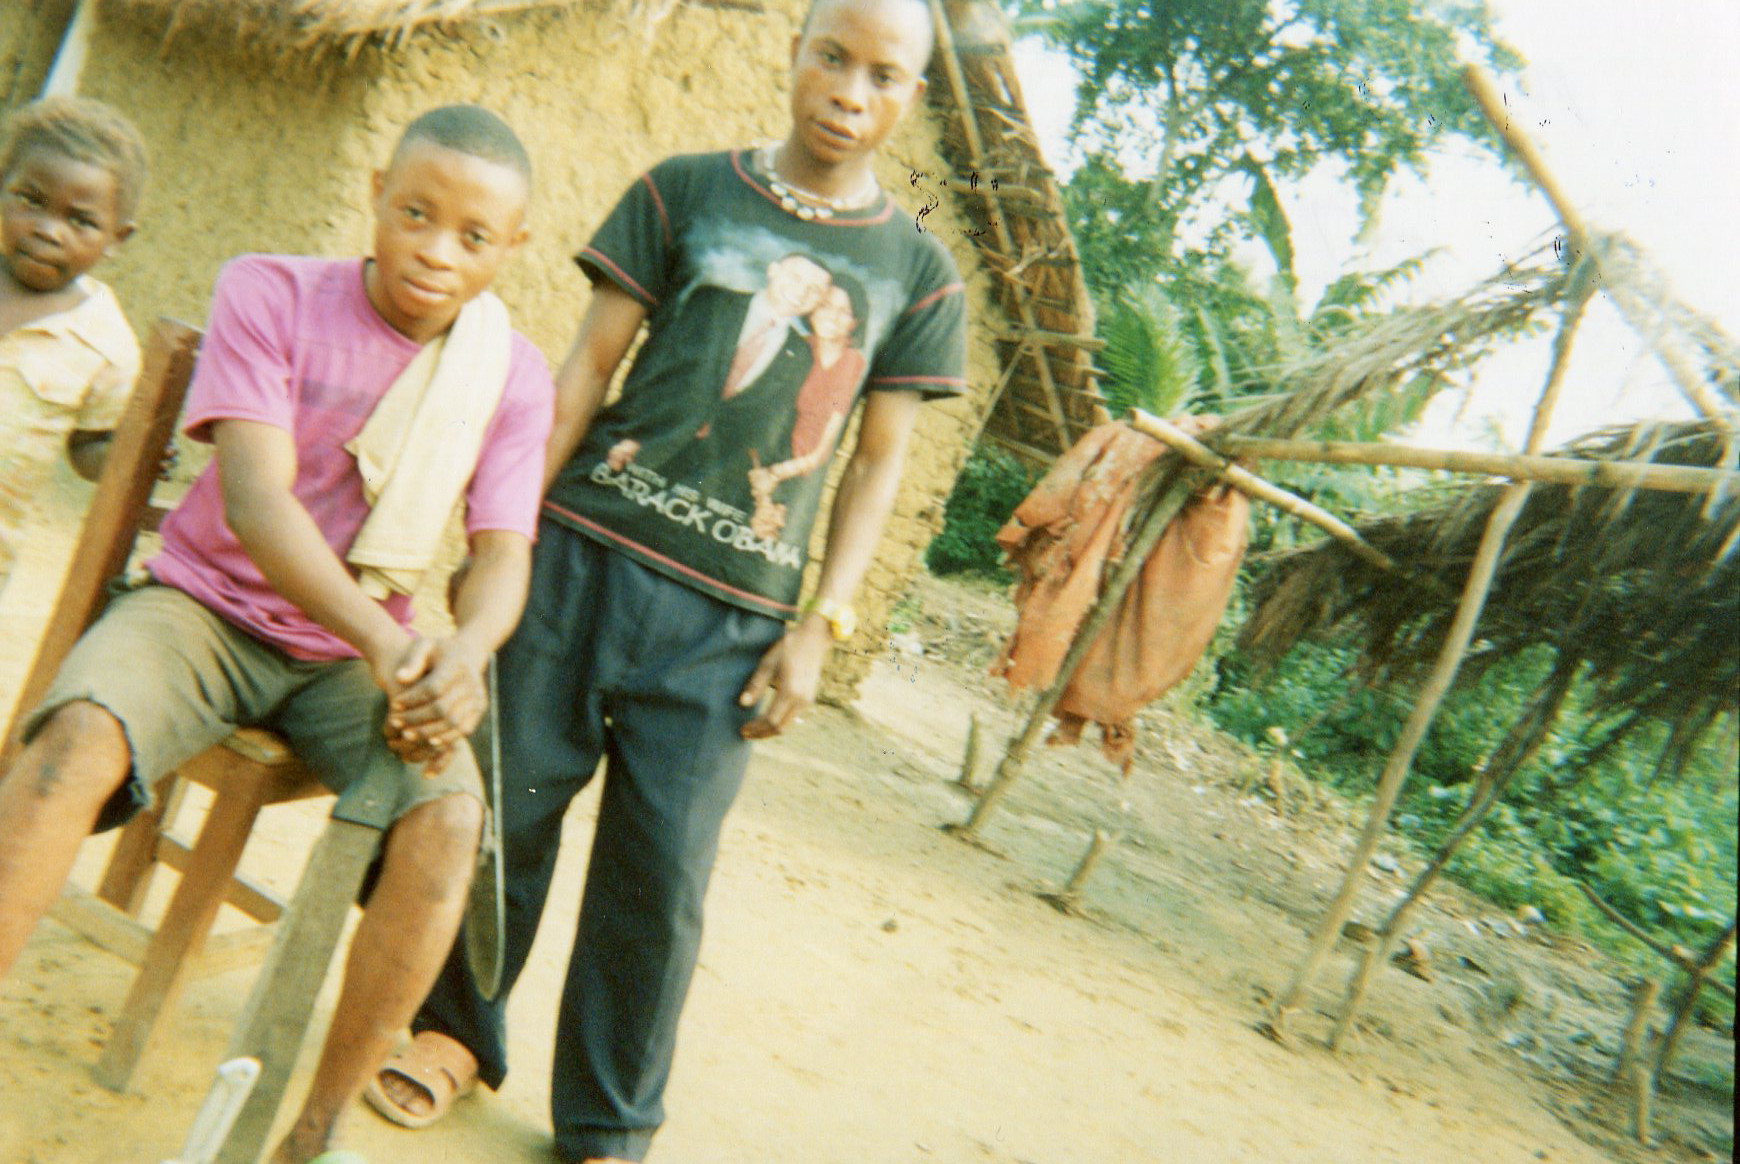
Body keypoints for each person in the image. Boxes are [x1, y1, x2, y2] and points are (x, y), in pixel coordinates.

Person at [367, 0, 967, 1160]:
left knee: (662, 874)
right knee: (504, 814)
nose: (850, 89)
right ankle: (452, 1032)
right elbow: (586, 364)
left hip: (732, 625)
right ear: (793, 53)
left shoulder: (920, 272)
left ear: (912, 99)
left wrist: (818, 627)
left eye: (883, 74)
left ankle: (609, 1120)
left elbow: (877, 462)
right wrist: (508, 542)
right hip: (581, 562)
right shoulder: (681, 190)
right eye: (831, 55)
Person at [0, 104, 554, 1164]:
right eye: (416, 214)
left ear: (513, 246)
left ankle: (310, 1133)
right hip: (201, 610)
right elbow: (256, 500)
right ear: (378, 192)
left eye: (473, 237)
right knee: (69, 740)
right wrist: (394, 647)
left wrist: (465, 655)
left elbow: (501, 554)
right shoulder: (271, 288)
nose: (436, 251)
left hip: (349, 663)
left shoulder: (510, 372)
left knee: (448, 823)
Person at [0, 95, 147, 601]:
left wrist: (131, 451)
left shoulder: (106, 345)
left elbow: (87, 446)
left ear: (116, 237)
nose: (47, 230)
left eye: (80, 221)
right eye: (30, 200)